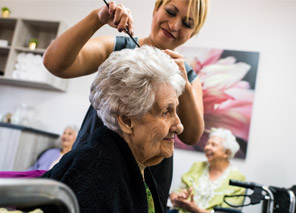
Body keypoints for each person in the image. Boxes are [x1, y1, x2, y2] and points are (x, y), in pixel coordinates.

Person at [43, 0, 208, 206]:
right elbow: (54, 63)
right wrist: (98, 18)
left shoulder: (188, 77)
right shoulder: (119, 49)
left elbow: (191, 134)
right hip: (95, 168)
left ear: (193, 33)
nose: (174, 25)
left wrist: (183, 84)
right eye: (171, 12)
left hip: (150, 176)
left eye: (187, 23)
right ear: (156, 9)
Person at [41, 45, 186, 212]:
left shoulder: (135, 168)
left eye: (175, 110)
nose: (179, 126)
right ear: (126, 120)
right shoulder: (95, 176)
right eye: (166, 112)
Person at [169, 128, 246, 213]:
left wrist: (196, 210)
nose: (207, 147)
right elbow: (175, 192)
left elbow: (229, 212)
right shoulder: (197, 166)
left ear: (226, 153)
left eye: (213, 145)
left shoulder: (237, 178)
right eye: (207, 144)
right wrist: (178, 198)